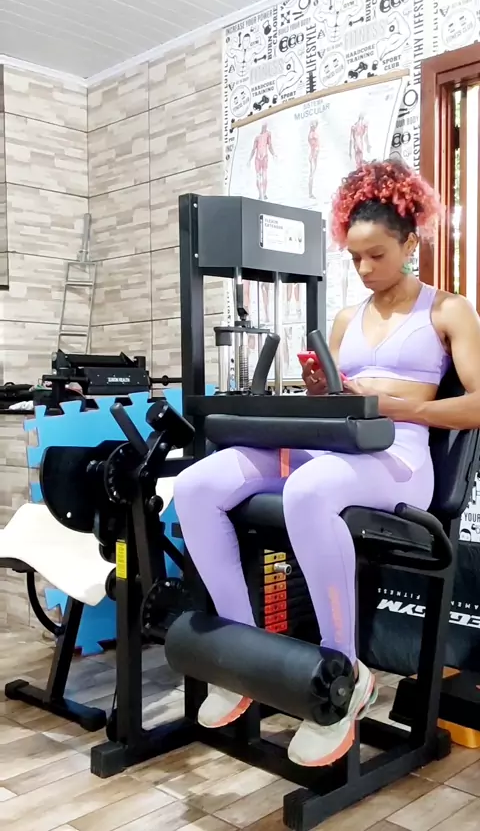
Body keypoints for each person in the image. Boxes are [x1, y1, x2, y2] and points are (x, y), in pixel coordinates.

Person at [174, 159, 480, 768]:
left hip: (399, 456)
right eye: (355, 258)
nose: (364, 270)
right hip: (336, 445)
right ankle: (242, 656)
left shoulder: (449, 311)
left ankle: (344, 672)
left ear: (409, 244)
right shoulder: (345, 318)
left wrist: (395, 406)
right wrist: (322, 391)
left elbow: (477, 404)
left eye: (377, 255)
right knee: (197, 484)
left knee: (309, 490)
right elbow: (331, 398)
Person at [249, 124, 275, 200]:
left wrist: (273, 154)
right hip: (257, 159)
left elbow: (270, 146)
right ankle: (260, 194)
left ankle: (264, 193)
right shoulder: (257, 137)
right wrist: (249, 159)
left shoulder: (268, 134)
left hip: (264, 157)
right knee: (258, 177)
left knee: (264, 176)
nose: (265, 127)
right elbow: (253, 149)